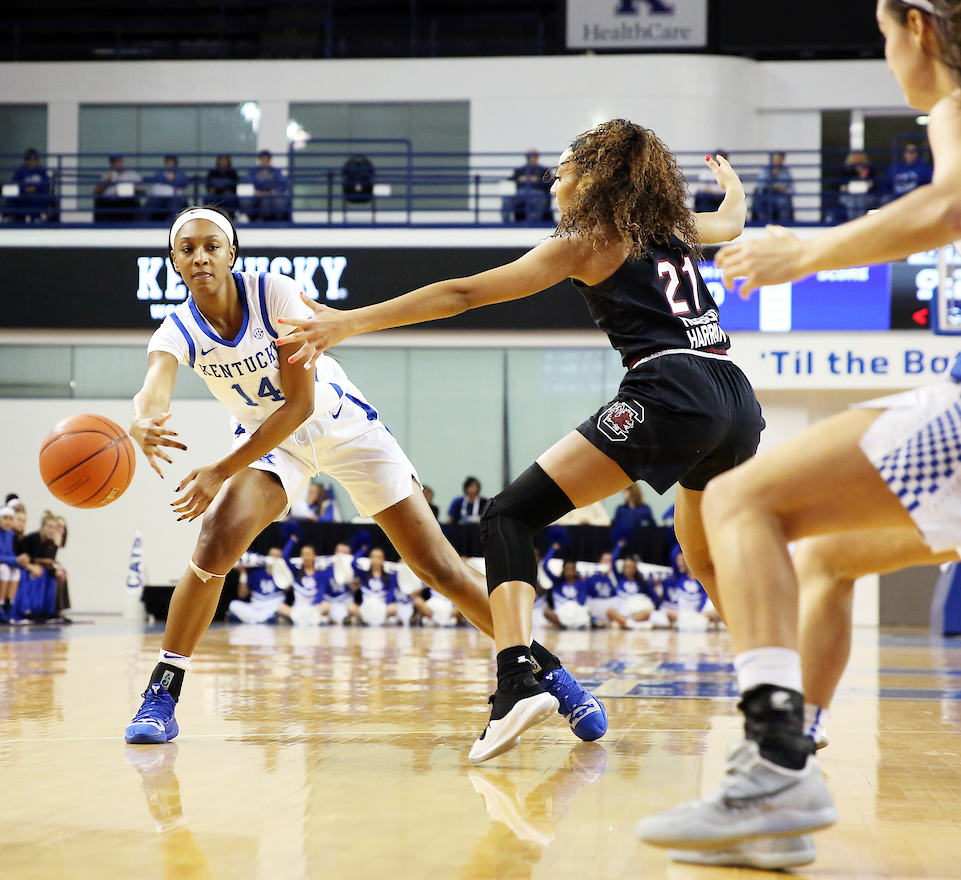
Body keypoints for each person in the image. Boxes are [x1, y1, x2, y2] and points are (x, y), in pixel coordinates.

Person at [638, 0, 961, 869]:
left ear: (919, 25)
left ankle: (768, 770)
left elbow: (954, 209)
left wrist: (800, 255)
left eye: (883, 36)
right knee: (828, 559)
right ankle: (785, 791)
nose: (887, 58)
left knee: (740, 499)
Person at [277, 118, 759, 763]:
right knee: (703, 560)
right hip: (735, 396)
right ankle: (782, 694)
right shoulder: (671, 229)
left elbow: (463, 293)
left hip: (672, 390)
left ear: (595, 178)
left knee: (508, 514)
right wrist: (731, 186)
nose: (553, 182)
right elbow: (730, 222)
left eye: (561, 171)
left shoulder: (589, 241)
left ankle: (515, 682)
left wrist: (348, 323)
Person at [123, 205, 602, 749]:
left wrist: (219, 470)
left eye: (212, 245)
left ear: (232, 252)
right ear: (174, 262)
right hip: (272, 446)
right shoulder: (176, 329)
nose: (200, 256)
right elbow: (155, 383)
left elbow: (298, 407)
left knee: (440, 568)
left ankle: (552, 674)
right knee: (215, 540)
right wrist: (143, 418)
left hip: (342, 428)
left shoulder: (274, 295)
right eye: (187, 249)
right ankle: (162, 692)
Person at [228, 539, 296, 625]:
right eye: (272, 556)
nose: (274, 559)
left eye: (277, 556)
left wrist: (283, 569)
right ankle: (263, 619)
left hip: (273, 606)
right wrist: (243, 574)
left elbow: (287, 588)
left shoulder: (284, 573)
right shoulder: (257, 574)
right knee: (233, 605)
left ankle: (257, 619)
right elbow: (242, 594)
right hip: (257, 606)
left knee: (284, 609)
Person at [502, 149, 553, 225]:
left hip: (537, 193)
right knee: (507, 199)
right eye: (530, 156)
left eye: (534, 156)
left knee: (540, 198)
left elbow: (550, 183)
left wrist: (538, 180)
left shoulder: (544, 170)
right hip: (521, 193)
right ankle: (506, 222)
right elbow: (511, 180)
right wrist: (520, 179)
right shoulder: (520, 170)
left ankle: (532, 222)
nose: (532, 158)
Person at [355, 546, 402, 626]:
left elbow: (391, 592)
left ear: (383, 560)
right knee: (351, 607)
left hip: (382, 605)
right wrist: (362, 550)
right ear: (370, 558)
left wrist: (386, 605)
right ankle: (364, 621)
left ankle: (383, 620)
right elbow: (353, 563)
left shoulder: (389, 576)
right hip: (367, 604)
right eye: (373, 557)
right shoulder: (364, 575)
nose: (376, 560)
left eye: (378, 558)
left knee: (393, 608)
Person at [6, 148, 54, 223]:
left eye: (35, 159)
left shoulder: (41, 170)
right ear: (26, 160)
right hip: (24, 194)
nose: (33, 161)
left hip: (38, 193)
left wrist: (35, 188)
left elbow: (46, 183)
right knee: (10, 194)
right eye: (31, 159)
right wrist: (25, 189)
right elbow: (15, 182)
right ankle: (11, 217)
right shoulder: (20, 170)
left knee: (43, 198)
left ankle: (37, 217)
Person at [93, 155, 143, 222]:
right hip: (110, 202)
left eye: (118, 161)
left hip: (126, 201)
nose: (116, 164)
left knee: (130, 201)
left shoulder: (131, 174)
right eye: (114, 162)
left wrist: (131, 189)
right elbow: (96, 192)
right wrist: (107, 181)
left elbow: (142, 191)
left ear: (122, 161)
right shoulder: (107, 175)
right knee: (99, 201)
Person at [753, 152, 794, 224]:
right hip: (766, 194)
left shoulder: (786, 172)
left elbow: (791, 189)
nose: (777, 161)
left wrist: (781, 189)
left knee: (783, 201)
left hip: (780, 196)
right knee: (758, 200)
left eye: (780, 159)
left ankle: (784, 224)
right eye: (776, 159)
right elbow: (760, 186)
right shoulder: (765, 170)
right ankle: (761, 224)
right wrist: (772, 186)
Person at [146, 156, 191, 222]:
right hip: (159, 197)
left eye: (171, 162)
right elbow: (156, 179)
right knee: (150, 204)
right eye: (168, 162)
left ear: (175, 163)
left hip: (174, 198)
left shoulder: (180, 174)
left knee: (175, 206)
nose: (169, 164)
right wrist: (170, 180)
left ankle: (174, 223)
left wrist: (170, 180)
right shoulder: (160, 173)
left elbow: (183, 182)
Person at [248, 150, 289, 222]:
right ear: (260, 160)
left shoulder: (276, 172)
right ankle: (259, 219)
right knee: (263, 202)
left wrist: (275, 191)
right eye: (263, 159)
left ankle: (278, 220)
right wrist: (254, 191)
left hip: (272, 196)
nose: (265, 161)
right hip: (258, 198)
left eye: (267, 159)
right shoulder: (253, 172)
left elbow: (283, 184)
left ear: (270, 160)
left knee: (279, 202)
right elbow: (247, 183)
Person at [838, 151, 876, 221]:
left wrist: (864, 177)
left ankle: (860, 222)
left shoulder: (870, 170)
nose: (857, 159)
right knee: (852, 201)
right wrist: (844, 187)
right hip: (848, 196)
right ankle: (852, 222)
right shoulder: (846, 170)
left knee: (860, 199)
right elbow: (838, 185)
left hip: (865, 196)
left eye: (859, 157)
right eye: (855, 157)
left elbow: (874, 185)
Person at [692, 149, 729, 213]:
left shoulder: (729, 173)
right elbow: (702, 187)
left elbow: (728, 189)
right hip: (709, 196)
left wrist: (714, 191)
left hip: (722, 197)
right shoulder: (706, 172)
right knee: (702, 197)